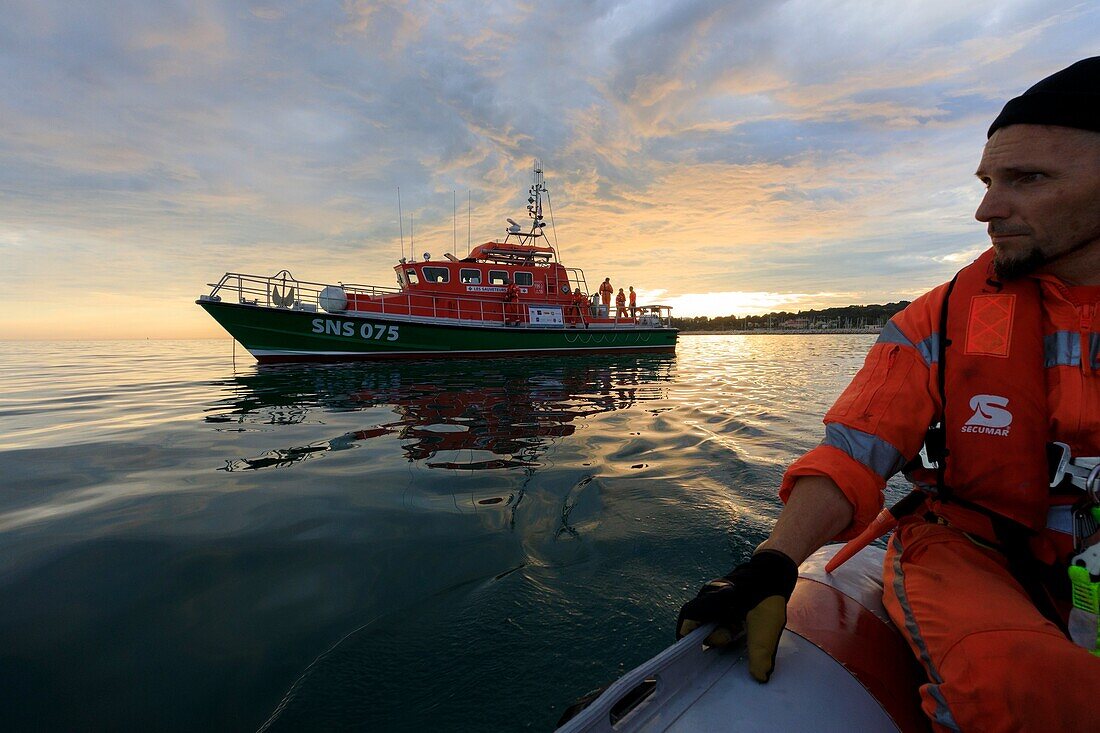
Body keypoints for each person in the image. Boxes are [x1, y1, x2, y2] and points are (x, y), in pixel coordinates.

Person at [677, 57, 1100, 732]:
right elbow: (852, 452)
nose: (986, 209)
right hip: (971, 554)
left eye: (1027, 179)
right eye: (989, 181)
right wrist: (773, 563)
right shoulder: (941, 320)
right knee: (1019, 687)